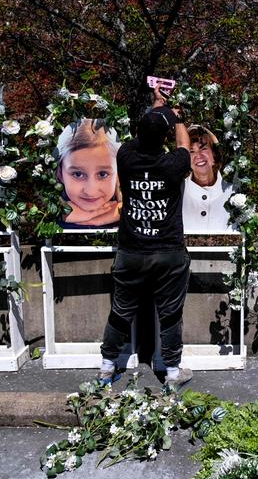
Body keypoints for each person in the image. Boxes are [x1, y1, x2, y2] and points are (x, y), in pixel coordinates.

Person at [99, 85, 193, 387]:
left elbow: (149, 131)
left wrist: (157, 105)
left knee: (121, 311)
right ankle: (172, 373)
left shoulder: (125, 156)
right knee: (170, 314)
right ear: (164, 137)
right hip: (168, 253)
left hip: (131, 251)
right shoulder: (172, 164)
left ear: (138, 132)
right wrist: (176, 119)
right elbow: (185, 147)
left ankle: (106, 365)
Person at [55, 119, 121, 228]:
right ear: (60, 174)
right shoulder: (46, 216)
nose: (91, 191)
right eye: (77, 174)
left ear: (118, 173)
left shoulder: (133, 212)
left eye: (103, 174)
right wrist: (61, 213)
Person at [182, 125, 234, 232]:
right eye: (191, 151)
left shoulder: (233, 192)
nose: (199, 155)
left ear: (214, 155)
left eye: (203, 148)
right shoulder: (177, 192)